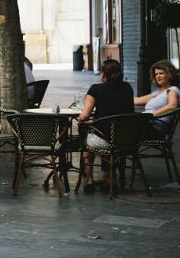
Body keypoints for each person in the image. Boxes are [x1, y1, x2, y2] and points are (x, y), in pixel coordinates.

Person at [77, 59, 134, 192]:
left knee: (87, 136)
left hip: (105, 140)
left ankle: (89, 178)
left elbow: (85, 116)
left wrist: (79, 119)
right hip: (126, 139)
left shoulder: (95, 89)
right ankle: (109, 177)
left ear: (103, 74)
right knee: (107, 132)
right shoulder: (127, 88)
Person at [134, 60, 180, 138]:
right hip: (148, 123)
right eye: (156, 74)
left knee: (123, 127)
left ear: (169, 74)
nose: (158, 76)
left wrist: (151, 115)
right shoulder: (158, 92)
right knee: (123, 123)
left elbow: (172, 105)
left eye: (161, 73)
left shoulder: (172, 90)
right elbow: (138, 100)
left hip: (156, 126)